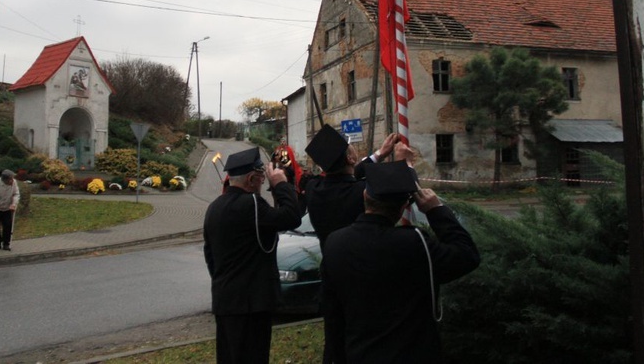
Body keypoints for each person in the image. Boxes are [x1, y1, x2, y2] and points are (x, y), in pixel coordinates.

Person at [322, 161, 481, 363]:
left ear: (365, 196)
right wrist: (436, 211)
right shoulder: (415, 243)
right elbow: (467, 255)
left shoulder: (335, 243)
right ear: (404, 206)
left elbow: (333, 314)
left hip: (359, 354)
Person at [203, 147, 302, 364]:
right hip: (252, 304)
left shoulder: (213, 207)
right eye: (261, 179)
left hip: (225, 301)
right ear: (250, 179)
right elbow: (292, 217)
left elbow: (210, 255)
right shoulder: (253, 204)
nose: (262, 184)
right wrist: (281, 185)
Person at [304, 123, 410, 250]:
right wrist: (405, 163)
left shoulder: (313, 188)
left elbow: (347, 176)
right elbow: (405, 189)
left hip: (331, 262)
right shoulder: (361, 190)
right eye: (350, 146)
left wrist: (380, 154)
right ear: (350, 158)